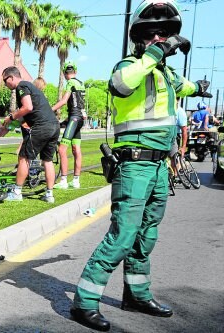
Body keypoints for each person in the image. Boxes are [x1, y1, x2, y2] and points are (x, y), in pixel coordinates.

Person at [69, 1, 212, 331]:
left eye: (167, 35)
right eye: (156, 35)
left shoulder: (165, 73)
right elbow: (120, 85)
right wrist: (153, 55)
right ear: (143, 39)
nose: (163, 40)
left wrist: (201, 88)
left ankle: (136, 295)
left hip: (160, 167)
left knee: (146, 236)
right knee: (123, 235)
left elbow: (185, 87)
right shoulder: (130, 66)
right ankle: (84, 302)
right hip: (135, 166)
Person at [1, 66, 60, 203]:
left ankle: (17, 192)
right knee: (48, 160)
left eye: (5, 81)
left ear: (12, 77)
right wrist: (8, 127)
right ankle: (49, 194)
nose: (5, 84)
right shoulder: (30, 88)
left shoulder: (21, 86)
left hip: (41, 127)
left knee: (24, 157)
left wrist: (10, 117)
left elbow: (27, 107)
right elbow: (25, 115)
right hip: (53, 126)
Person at [52, 61, 86, 189]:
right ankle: (76, 180)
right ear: (75, 72)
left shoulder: (70, 83)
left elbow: (64, 101)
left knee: (62, 149)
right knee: (76, 149)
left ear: (64, 74)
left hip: (74, 117)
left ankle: (64, 181)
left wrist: (50, 109)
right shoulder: (80, 83)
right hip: (80, 118)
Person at [169, 104, 188, 173]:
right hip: (164, 135)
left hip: (175, 136)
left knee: (173, 158)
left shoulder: (180, 112)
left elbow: (184, 130)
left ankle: (175, 175)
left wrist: (183, 147)